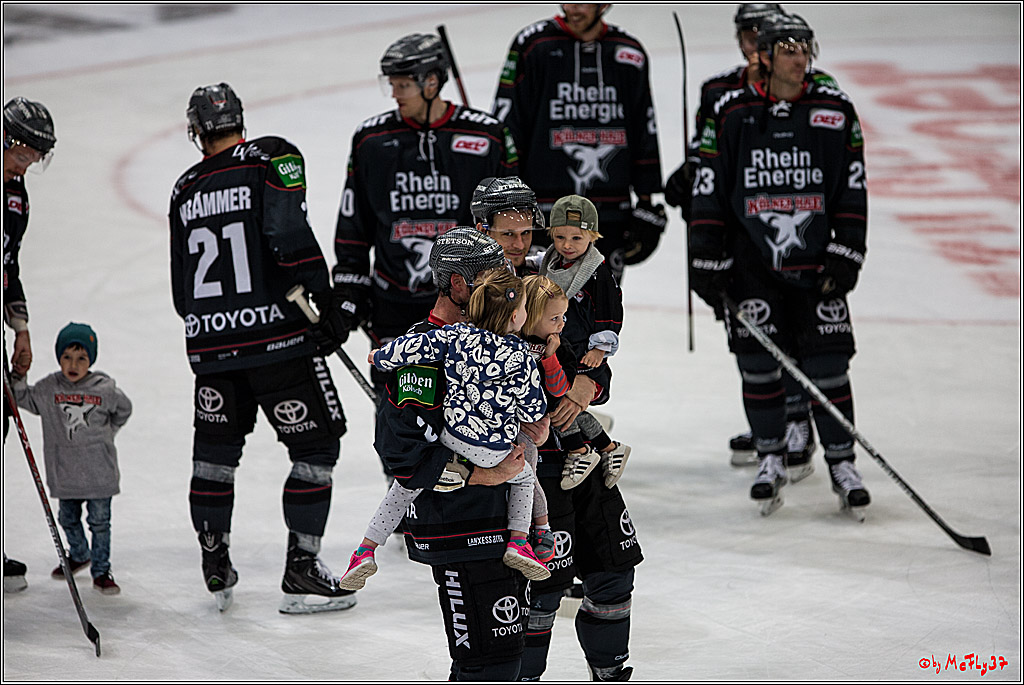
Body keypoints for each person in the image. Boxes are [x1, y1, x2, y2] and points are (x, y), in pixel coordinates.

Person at [169, 83, 356, 614]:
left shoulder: (183, 189)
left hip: (211, 348)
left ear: (195, 129)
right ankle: (300, 569)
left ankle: (214, 560)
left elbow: (183, 292)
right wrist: (325, 307)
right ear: (239, 120)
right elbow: (286, 232)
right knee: (316, 449)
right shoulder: (272, 155)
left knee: (213, 458)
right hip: (278, 343)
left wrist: (218, 327)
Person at [688, 12, 871, 517]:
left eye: (804, 46)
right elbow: (709, 191)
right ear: (763, 56)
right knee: (758, 366)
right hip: (751, 266)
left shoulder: (834, 110)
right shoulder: (731, 112)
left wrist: (847, 248)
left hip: (816, 266)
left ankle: (842, 463)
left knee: (829, 365)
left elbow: (852, 187)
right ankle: (770, 458)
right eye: (787, 48)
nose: (799, 56)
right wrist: (706, 257)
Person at [664, 4, 839, 474]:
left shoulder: (819, 92)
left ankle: (796, 419)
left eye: (767, 32)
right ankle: (775, 419)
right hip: (741, 239)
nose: (757, 39)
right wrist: (689, 178)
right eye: (750, 32)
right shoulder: (718, 91)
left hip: (793, 233)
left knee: (797, 328)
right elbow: (710, 158)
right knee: (753, 330)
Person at [369, 227, 548, 680]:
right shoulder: (423, 349)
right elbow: (400, 452)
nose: (501, 286)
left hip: (503, 523)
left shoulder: (498, 343)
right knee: (487, 662)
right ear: (456, 285)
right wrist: (478, 475)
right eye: (488, 275)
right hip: (458, 528)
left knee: (508, 658)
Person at [339, 267, 552, 591]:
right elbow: (533, 408)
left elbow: (410, 347)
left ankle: (366, 549)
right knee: (522, 475)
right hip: (494, 446)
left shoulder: (455, 337)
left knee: (405, 485)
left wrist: (379, 357)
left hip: (451, 437)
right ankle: (520, 540)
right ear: (514, 316)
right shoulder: (520, 355)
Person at [333, 32, 519, 399]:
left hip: (469, 301)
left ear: (432, 82)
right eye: (392, 84)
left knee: (468, 407)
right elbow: (354, 222)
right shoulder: (371, 141)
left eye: (403, 85)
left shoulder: (486, 136)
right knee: (401, 415)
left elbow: (510, 221)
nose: (395, 94)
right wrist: (349, 289)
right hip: (393, 302)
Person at [492, 3, 666, 281]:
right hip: (542, 212)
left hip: (608, 211)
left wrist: (647, 201)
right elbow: (508, 125)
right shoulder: (534, 45)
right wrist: (505, 196)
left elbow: (644, 128)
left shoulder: (629, 53)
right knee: (539, 313)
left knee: (599, 312)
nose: (573, 8)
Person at [10, 323, 132, 594]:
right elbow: (20, 397)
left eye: (81, 358)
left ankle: (101, 571)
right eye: (67, 357)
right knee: (67, 519)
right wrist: (19, 374)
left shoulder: (104, 388)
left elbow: (124, 409)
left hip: (99, 473)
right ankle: (79, 554)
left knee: (100, 523)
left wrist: (107, 434)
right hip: (65, 473)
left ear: (91, 359)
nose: (73, 364)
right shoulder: (49, 388)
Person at [3, 96, 57, 594]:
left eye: (37, 158)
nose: (29, 164)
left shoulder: (16, 196)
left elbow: (9, 267)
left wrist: (20, 328)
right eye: (24, 153)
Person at [520, 274, 630, 489]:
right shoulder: (513, 340)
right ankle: (608, 448)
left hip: (547, 408)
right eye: (555, 319)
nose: (561, 324)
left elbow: (560, 388)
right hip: (531, 413)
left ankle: (581, 451)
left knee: (563, 412)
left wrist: (551, 358)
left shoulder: (561, 347)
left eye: (563, 317)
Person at [470, 176, 546, 277]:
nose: (520, 245)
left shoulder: (545, 271)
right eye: (508, 234)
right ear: (483, 232)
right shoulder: (463, 283)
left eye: (525, 232)